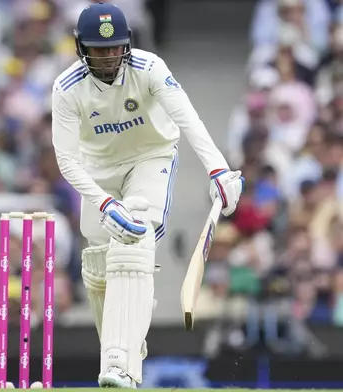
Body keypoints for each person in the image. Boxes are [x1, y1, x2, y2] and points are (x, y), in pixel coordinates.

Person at [50, 2, 245, 388]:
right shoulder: (67, 88)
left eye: (114, 48)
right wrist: (104, 204)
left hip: (150, 157)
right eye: (98, 49)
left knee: (136, 235)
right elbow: (67, 161)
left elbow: (188, 117)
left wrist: (218, 168)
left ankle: (118, 364)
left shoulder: (149, 67)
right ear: (80, 48)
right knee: (99, 258)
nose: (108, 58)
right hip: (97, 169)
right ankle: (127, 337)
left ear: (127, 44)